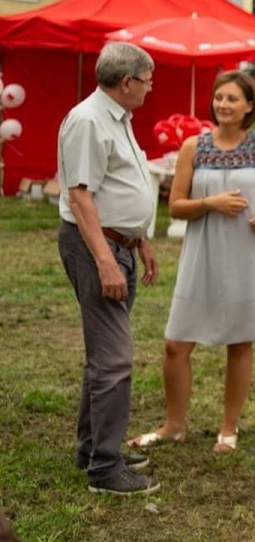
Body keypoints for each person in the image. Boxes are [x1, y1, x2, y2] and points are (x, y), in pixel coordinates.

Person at [127, 71, 255, 454]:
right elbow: (176, 207)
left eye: (232, 98)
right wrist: (210, 204)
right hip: (201, 255)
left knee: (240, 341)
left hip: (246, 255)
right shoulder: (194, 147)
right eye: (219, 97)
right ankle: (174, 425)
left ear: (249, 105)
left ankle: (228, 428)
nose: (223, 105)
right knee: (175, 344)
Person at [56, 42, 161, 495]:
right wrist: (104, 262)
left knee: (104, 356)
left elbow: (118, 185)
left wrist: (140, 238)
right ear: (127, 81)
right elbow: (80, 197)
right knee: (114, 358)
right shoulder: (88, 120)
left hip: (119, 244)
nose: (150, 88)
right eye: (148, 81)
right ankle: (104, 468)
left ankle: (93, 450)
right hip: (97, 247)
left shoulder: (117, 117)